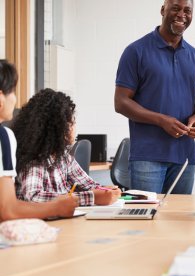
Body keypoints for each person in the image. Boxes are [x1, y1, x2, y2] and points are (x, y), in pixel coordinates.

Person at [114, 0, 195, 195]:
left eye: (187, 11)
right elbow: (121, 102)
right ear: (163, 10)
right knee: (146, 219)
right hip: (147, 157)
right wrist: (161, 120)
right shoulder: (136, 51)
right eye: (175, 8)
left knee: (179, 222)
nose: (181, 14)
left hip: (184, 157)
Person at [13, 89, 121, 207]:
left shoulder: (64, 158)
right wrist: (91, 197)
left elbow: (88, 184)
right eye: (71, 122)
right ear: (57, 129)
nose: (74, 127)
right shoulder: (34, 162)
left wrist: (104, 190)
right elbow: (33, 197)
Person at [0, 60, 77, 221]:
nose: (15, 100)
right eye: (13, 92)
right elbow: (8, 210)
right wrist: (56, 207)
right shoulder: (3, 137)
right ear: (1, 98)